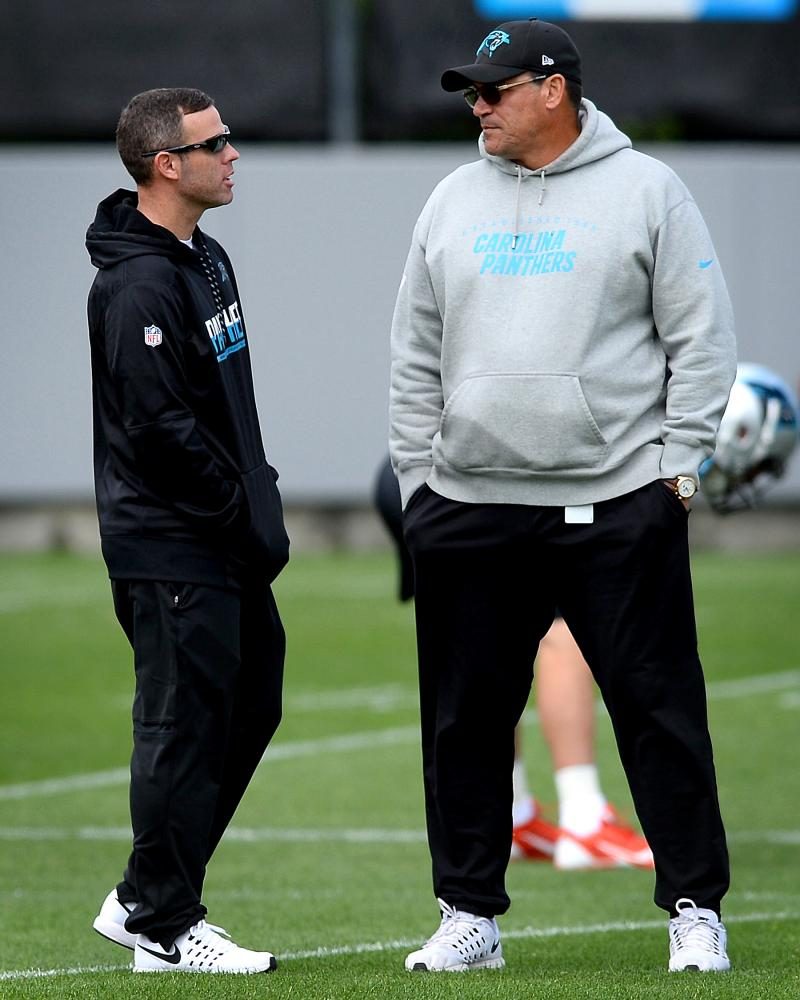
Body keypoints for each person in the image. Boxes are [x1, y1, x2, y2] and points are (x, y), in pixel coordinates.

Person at [389, 18, 736, 974]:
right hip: (467, 504)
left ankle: (695, 910)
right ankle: (469, 916)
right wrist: (419, 480)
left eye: (495, 90)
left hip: (619, 497)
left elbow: (701, 340)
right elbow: (414, 351)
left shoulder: (648, 190)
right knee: (462, 722)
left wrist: (677, 469)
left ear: (555, 90)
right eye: (473, 91)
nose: (478, 106)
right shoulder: (451, 196)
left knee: (660, 712)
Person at [86, 88, 289, 975]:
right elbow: (161, 435)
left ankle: (146, 895)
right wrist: (239, 514)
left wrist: (258, 502)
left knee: (251, 701)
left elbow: (228, 412)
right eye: (215, 144)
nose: (233, 154)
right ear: (167, 164)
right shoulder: (136, 283)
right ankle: (164, 925)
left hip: (224, 542)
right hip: (174, 546)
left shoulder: (205, 258)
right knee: (182, 727)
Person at [375, 455, 653, 869]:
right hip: (488, 482)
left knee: (485, 635)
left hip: (419, 476)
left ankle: (514, 816)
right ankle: (584, 816)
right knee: (562, 627)